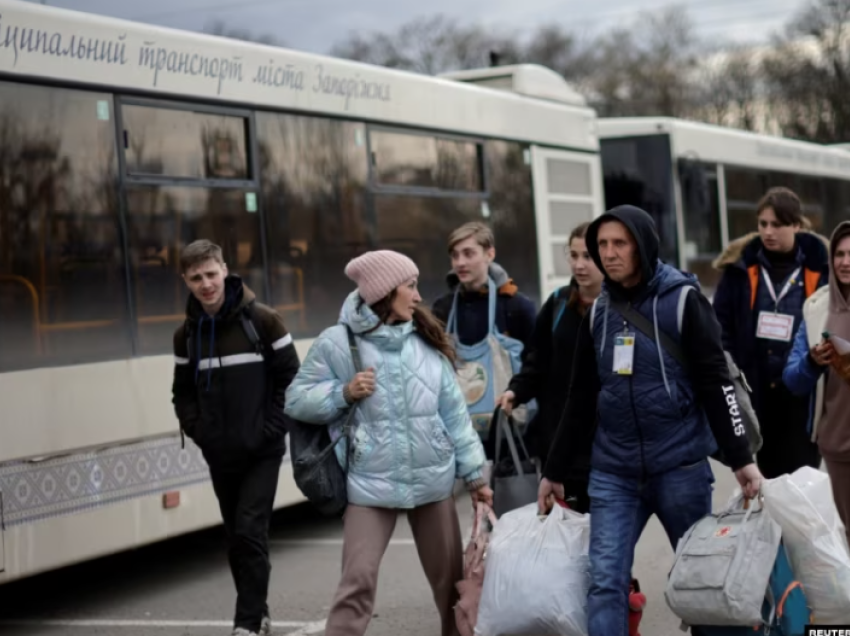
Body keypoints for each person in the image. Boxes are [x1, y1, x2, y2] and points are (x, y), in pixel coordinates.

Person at [537, 205, 763, 636]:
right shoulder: (599, 312)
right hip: (614, 472)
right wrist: (554, 469)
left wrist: (741, 458)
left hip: (680, 468)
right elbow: (582, 396)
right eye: (601, 245)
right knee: (605, 583)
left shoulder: (683, 301)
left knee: (704, 582)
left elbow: (717, 383)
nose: (609, 254)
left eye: (619, 243)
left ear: (642, 246)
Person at [283, 250, 493, 636]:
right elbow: (295, 401)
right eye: (409, 286)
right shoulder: (337, 342)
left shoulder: (427, 341)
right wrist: (343, 392)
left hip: (433, 481)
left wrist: (476, 476)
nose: (417, 296)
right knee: (356, 583)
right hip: (368, 483)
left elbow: (454, 416)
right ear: (383, 293)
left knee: (450, 586)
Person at [171, 240, 300, 636]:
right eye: (196, 278)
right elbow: (182, 392)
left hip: (262, 450)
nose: (206, 284)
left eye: (211, 274)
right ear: (186, 281)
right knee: (236, 537)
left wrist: (271, 429)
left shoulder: (264, 321)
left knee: (249, 528)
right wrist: (201, 432)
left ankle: (246, 623)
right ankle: (257, 612)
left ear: (225, 270)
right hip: (220, 452)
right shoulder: (186, 336)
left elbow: (292, 380)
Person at [713, 186, 829, 479]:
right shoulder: (739, 270)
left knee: (805, 478)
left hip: (804, 391)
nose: (767, 232)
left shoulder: (820, 269)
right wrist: (733, 371)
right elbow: (720, 326)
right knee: (771, 477)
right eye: (762, 224)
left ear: (796, 225)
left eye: (777, 224)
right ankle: (776, 526)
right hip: (758, 390)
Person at [496, 221, 604, 511]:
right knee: (568, 518)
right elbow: (537, 360)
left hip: (606, 442)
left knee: (605, 530)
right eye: (573, 255)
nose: (579, 265)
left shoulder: (621, 307)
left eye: (588, 257)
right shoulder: (558, 304)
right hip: (560, 442)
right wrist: (515, 392)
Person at [783, 220, 850, 546]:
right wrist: (812, 361)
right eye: (839, 253)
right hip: (835, 446)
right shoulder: (816, 308)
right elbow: (792, 379)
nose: (845, 261)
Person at [432, 221, 537, 348]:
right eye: (455, 255)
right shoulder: (443, 308)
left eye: (468, 254)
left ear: (490, 254)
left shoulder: (516, 307)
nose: (460, 263)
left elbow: (537, 361)